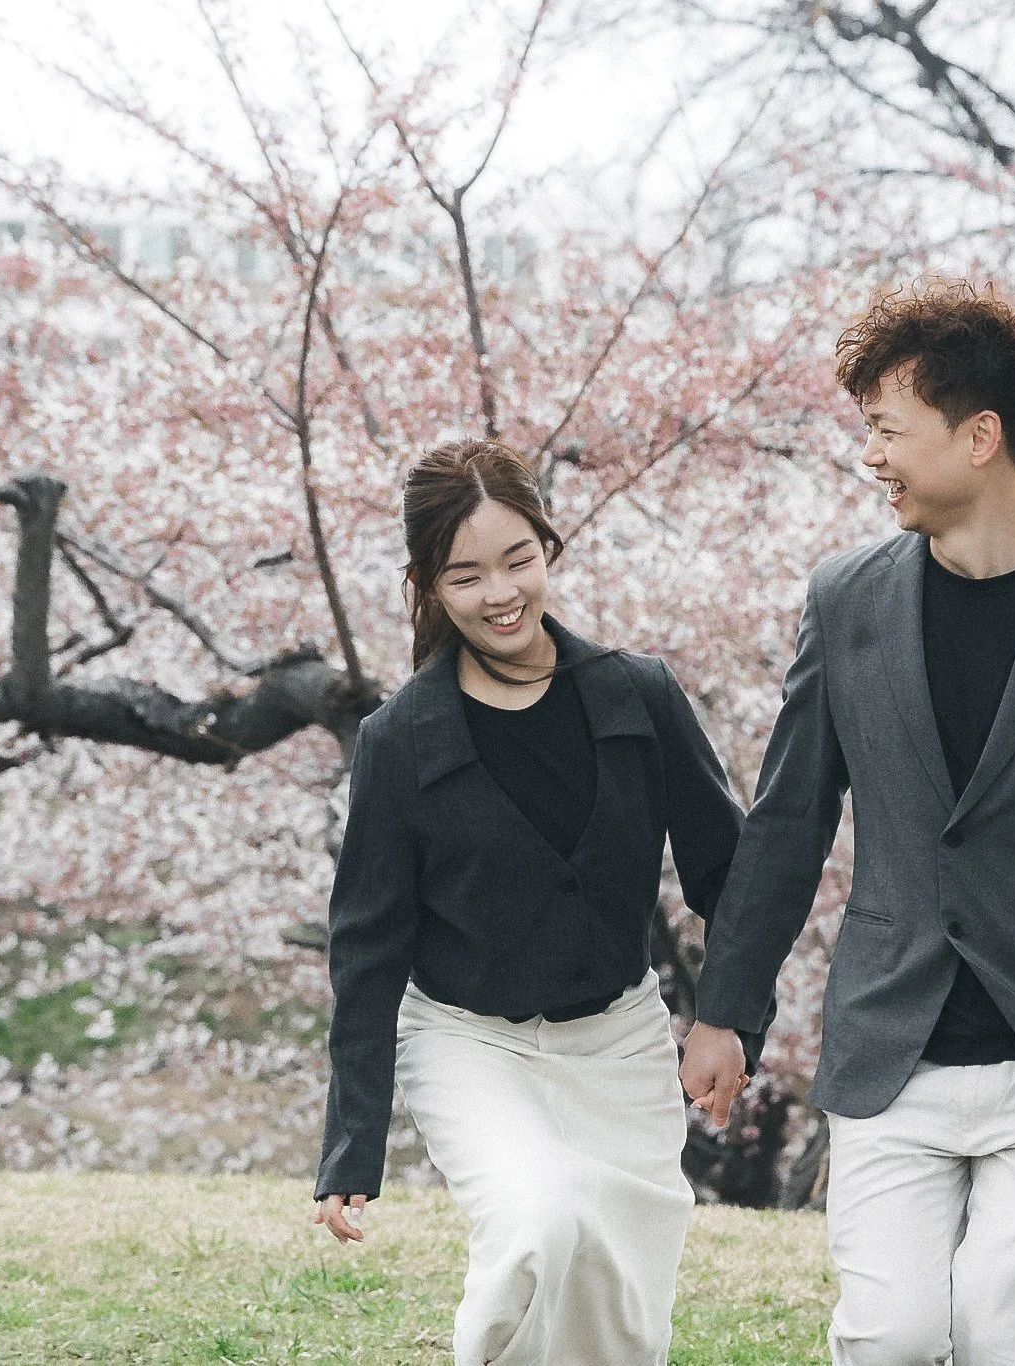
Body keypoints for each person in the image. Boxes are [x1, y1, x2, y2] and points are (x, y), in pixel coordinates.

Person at [680, 280, 1015, 1365]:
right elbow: (788, 822)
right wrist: (726, 1008)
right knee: (888, 1337)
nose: (869, 456)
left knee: (1010, 1345)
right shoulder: (845, 601)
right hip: (892, 1038)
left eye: (887, 430)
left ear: (979, 437)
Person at [312, 438, 758, 1366]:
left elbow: (730, 875)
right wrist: (353, 1142)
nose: (501, 593)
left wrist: (728, 1018)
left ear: (548, 547)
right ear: (428, 586)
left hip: (621, 1041)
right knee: (536, 1227)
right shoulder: (400, 741)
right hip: (469, 1043)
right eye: (466, 575)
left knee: (619, 1307)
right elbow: (367, 949)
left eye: (518, 559)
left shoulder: (639, 696)